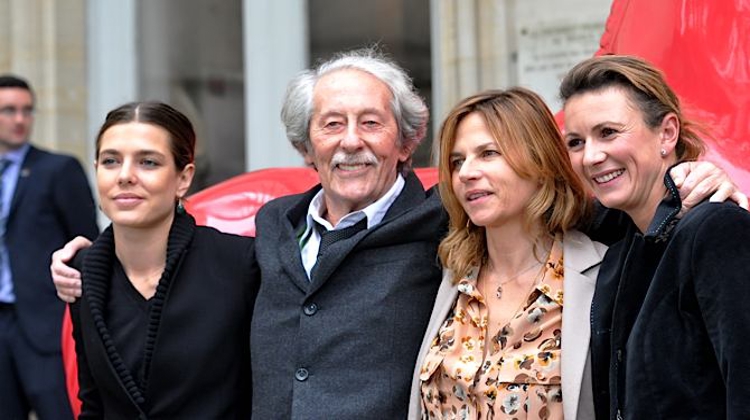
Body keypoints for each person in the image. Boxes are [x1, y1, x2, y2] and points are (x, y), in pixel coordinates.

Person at [51, 48, 746, 418]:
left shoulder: (445, 220)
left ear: (405, 142)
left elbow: (587, 202)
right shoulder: (268, 229)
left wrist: (695, 181)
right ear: (306, 148)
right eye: (331, 125)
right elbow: (177, 259)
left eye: (371, 123)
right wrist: (96, 256)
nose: (351, 143)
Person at [561, 55, 750, 419]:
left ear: (667, 133)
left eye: (608, 132)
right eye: (576, 142)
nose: (591, 156)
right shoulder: (623, 243)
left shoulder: (717, 230)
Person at [408, 88, 603, 419]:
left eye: (488, 153)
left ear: (539, 162)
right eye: (457, 161)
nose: (466, 173)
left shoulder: (600, 277)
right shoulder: (450, 277)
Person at [69, 101, 257, 418]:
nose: (125, 176)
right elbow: (93, 403)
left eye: (148, 163)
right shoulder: (80, 272)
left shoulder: (242, 263)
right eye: (111, 161)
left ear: (183, 179)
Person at [0, 74, 99, 420]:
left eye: (27, 110)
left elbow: (89, 244)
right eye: (9, 110)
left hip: (45, 327)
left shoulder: (57, 169)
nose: (19, 119)